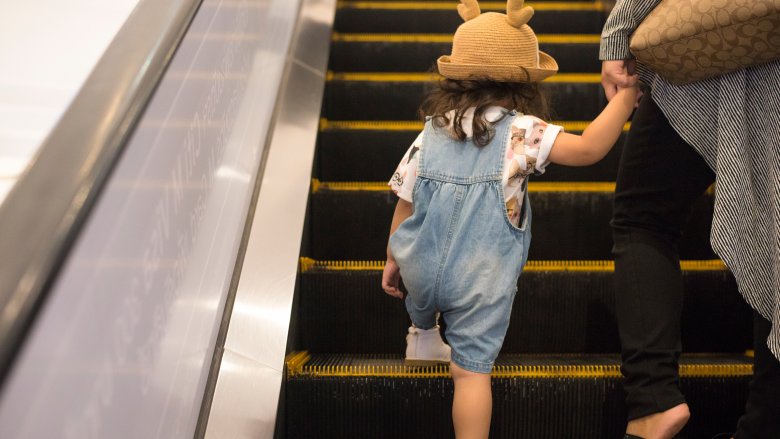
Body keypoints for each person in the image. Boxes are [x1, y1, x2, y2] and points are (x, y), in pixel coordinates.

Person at [380, 0, 639, 437]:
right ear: (524, 83)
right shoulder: (523, 131)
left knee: (421, 285)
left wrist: (392, 257)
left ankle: (421, 331)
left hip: (418, 265)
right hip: (481, 279)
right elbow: (590, 148)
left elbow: (405, 200)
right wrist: (628, 96)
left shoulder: (434, 128)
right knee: (470, 373)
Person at [600, 1, 780, 438]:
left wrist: (620, 28)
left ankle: (653, 398)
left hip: (699, 54)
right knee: (774, 232)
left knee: (644, 218)